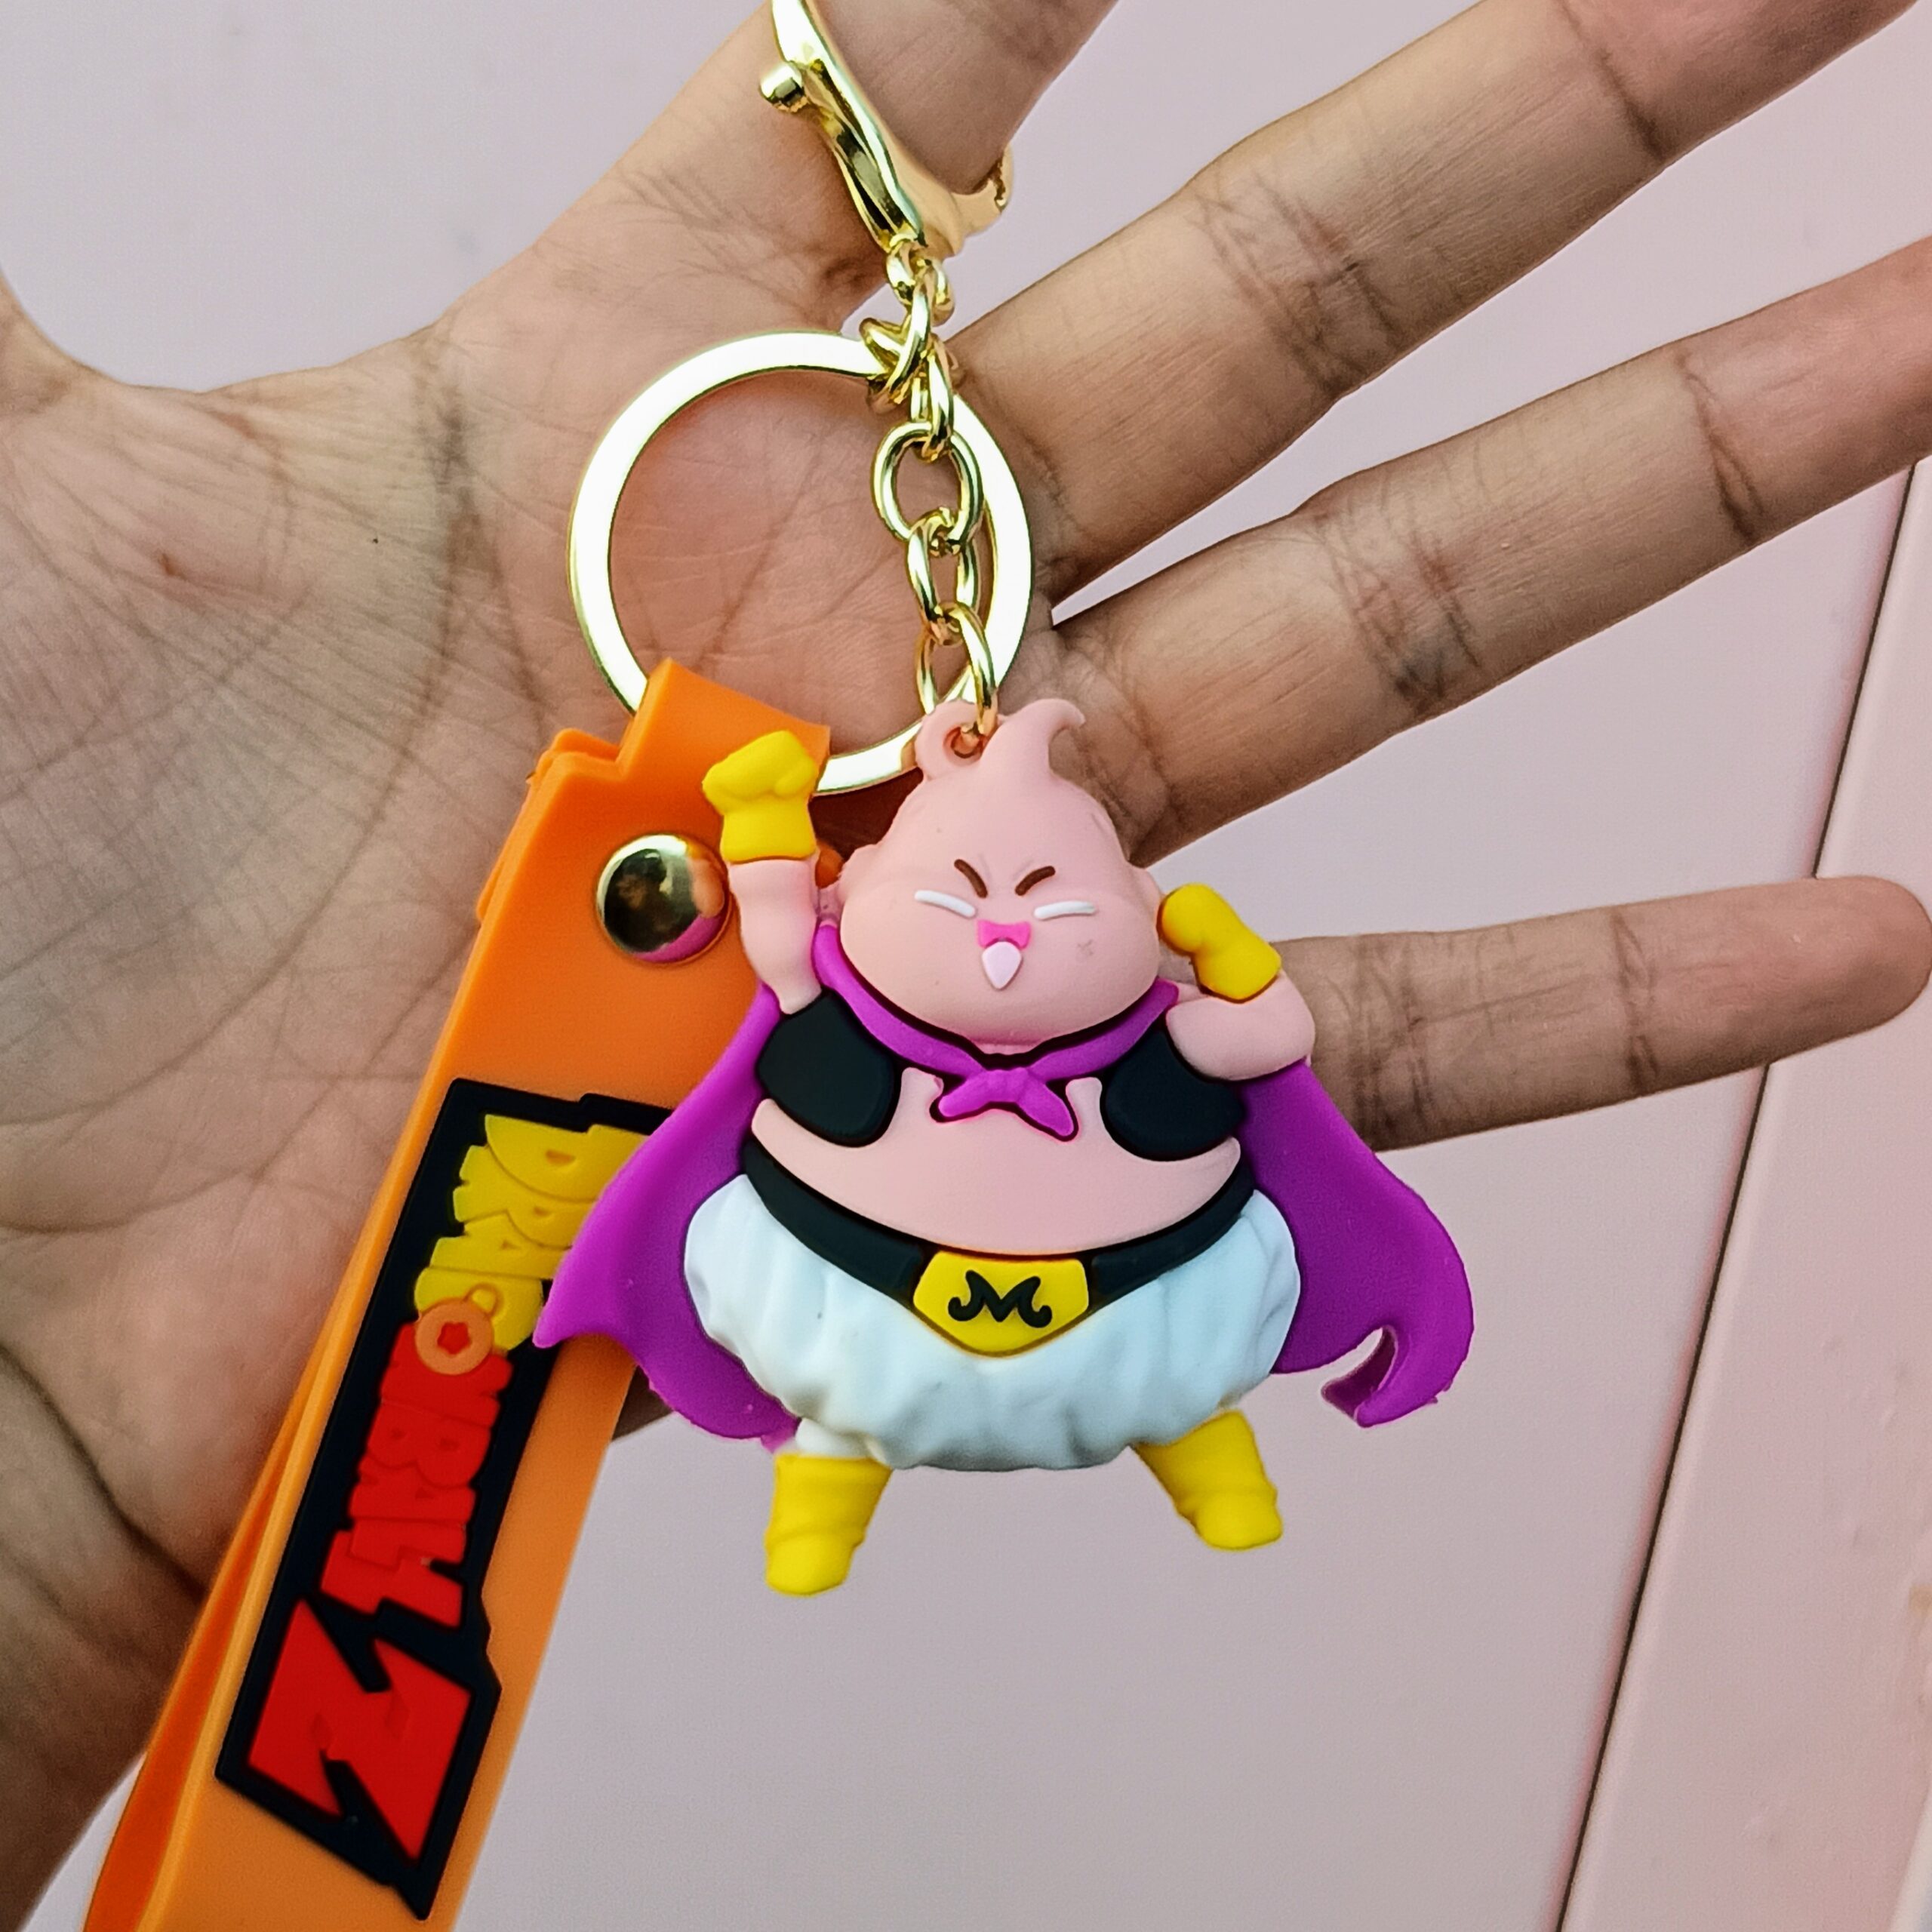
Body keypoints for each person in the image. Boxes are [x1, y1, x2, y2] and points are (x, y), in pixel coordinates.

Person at [0, 0, 1927, 1916]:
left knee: (1143, 1377)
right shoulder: (829, 984)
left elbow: (1243, 1041)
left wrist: (1222, 992)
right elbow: (810, 943)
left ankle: (1182, 1456)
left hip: (1123, 1262)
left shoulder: (1082, 1007)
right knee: (861, 1390)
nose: (1005, 920)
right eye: (976, 882)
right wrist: (769, 830)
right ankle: (884, 1471)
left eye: (1039, 886)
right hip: (853, 1255)